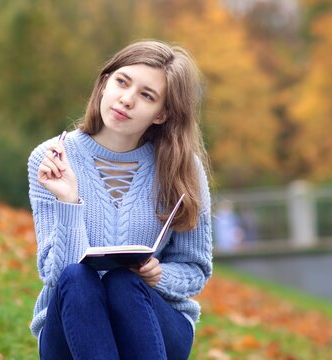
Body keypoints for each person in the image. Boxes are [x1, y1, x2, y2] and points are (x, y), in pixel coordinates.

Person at [27, 39, 213, 360]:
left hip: (153, 321)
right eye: (122, 82)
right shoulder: (53, 159)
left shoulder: (184, 168)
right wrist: (69, 201)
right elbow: (55, 276)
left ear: (161, 113)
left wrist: (159, 275)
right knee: (77, 277)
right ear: (104, 84)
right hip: (71, 324)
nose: (126, 100)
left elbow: (195, 268)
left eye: (146, 95)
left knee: (123, 283)